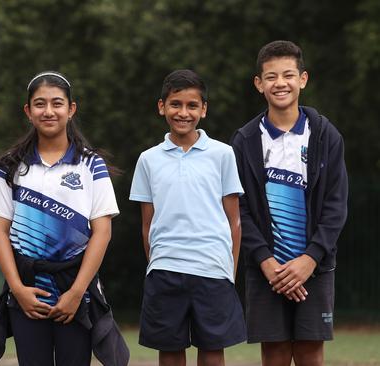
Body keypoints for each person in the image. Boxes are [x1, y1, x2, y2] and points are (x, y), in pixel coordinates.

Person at [0, 71, 129, 366]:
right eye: (39, 104)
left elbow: (102, 232)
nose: (48, 111)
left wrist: (76, 293)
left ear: (71, 109)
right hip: (26, 291)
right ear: (28, 111)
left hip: (76, 293)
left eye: (57, 103)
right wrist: (18, 289)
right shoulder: (9, 165)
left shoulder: (91, 164)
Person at [230, 40, 348, 366]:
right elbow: (239, 209)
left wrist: (310, 259)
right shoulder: (244, 140)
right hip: (266, 269)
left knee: (310, 352)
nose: (280, 83)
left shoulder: (325, 136)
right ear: (259, 84)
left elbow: (336, 207)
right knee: (275, 353)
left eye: (288, 75)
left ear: (303, 79)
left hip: (315, 267)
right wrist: (267, 262)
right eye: (270, 77)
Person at [129, 69, 246, 366]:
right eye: (175, 104)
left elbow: (234, 221)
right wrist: (158, 261)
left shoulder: (223, 154)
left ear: (203, 110)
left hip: (213, 270)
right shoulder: (148, 159)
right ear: (161, 107)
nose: (183, 112)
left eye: (192, 105)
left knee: (212, 350)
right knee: (169, 351)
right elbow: (147, 225)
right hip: (165, 270)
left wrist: (228, 273)